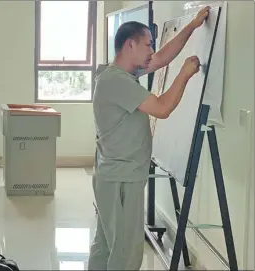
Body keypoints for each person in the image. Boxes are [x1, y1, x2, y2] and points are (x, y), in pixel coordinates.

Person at [88, 7, 210, 270]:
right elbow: (162, 108)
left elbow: (161, 59)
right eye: (147, 45)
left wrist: (191, 27)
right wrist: (185, 74)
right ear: (130, 45)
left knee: (106, 246)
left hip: (114, 176)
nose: (151, 51)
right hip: (121, 178)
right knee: (126, 253)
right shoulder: (117, 82)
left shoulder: (115, 73)